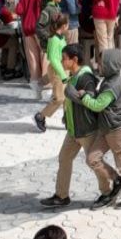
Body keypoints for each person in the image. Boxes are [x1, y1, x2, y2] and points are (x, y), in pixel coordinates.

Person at [76, 49, 121, 210]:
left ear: (110, 65)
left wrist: (84, 97)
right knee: (93, 159)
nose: (98, 65)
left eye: (101, 63)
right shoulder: (108, 79)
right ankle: (117, 181)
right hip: (105, 129)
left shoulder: (113, 84)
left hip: (117, 131)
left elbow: (98, 105)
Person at [39, 45, 99, 209]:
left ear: (74, 60)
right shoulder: (72, 76)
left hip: (86, 129)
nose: (61, 61)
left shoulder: (86, 77)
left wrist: (74, 95)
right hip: (73, 130)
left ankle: (110, 188)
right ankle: (61, 196)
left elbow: (92, 101)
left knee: (95, 162)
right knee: (64, 159)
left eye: (64, 58)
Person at [34, 12, 69, 132]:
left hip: (62, 69)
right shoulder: (54, 39)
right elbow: (54, 59)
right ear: (63, 26)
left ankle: (68, 119)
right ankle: (41, 116)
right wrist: (63, 75)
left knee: (67, 97)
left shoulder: (60, 37)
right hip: (57, 71)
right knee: (59, 98)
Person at [16, 0, 47, 99]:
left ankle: (36, 87)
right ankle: (47, 85)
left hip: (27, 29)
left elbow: (19, 11)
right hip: (40, 28)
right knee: (45, 55)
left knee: (32, 58)